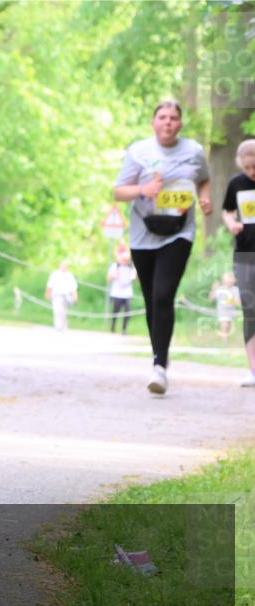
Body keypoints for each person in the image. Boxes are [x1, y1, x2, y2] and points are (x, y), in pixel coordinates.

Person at [113, 100, 212, 395]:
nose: (168, 122)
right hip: (144, 233)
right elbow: (119, 191)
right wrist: (144, 190)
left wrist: (204, 198)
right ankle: (160, 354)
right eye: (162, 117)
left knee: (163, 294)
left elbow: (204, 180)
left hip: (179, 232)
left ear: (180, 124)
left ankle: (159, 367)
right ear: (153, 123)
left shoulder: (193, 151)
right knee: (151, 299)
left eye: (173, 118)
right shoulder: (138, 152)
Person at [221, 138, 255, 386]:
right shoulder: (236, 184)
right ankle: (253, 369)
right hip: (245, 254)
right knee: (250, 312)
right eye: (247, 168)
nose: (252, 173)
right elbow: (227, 211)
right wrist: (231, 223)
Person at [107, 249, 137, 334]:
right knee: (115, 311)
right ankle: (113, 326)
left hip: (127, 293)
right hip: (117, 293)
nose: (125, 261)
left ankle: (124, 329)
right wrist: (115, 275)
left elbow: (134, 278)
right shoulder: (115, 266)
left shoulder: (131, 267)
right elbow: (109, 278)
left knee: (127, 312)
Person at [45, 260, 78, 331]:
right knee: (57, 310)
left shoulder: (70, 275)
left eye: (65, 266)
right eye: (63, 265)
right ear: (60, 266)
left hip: (66, 296)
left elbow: (73, 287)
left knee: (64, 311)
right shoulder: (54, 274)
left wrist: (75, 296)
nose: (64, 267)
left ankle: (64, 326)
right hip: (57, 295)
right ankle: (58, 326)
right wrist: (48, 293)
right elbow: (49, 285)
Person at [209, 272, 241, 342]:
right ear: (223, 280)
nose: (229, 282)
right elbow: (211, 298)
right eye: (227, 279)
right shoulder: (220, 288)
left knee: (228, 325)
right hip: (222, 309)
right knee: (224, 323)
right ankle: (224, 340)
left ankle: (225, 337)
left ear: (234, 280)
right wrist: (213, 289)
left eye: (231, 279)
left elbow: (238, 302)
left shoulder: (235, 289)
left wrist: (232, 301)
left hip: (231, 310)